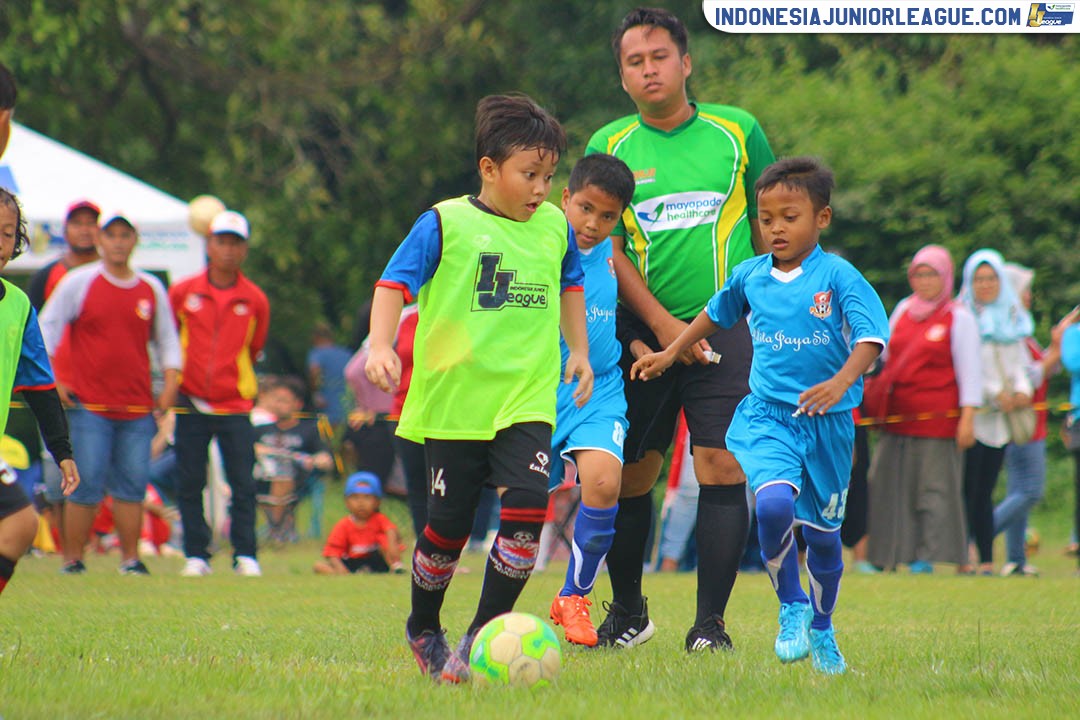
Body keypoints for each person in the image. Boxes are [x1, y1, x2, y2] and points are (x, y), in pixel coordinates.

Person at [365, 93, 592, 683]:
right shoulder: (445, 222)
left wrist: (581, 354)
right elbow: (392, 284)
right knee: (447, 531)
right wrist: (381, 344)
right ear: (489, 169)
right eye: (529, 174)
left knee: (525, 514)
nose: (542, 188)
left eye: (548, 175)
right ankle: (423, 626)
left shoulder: (553, 228)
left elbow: (570, 286)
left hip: (526, 398)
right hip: (455, 402)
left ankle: (478, 639)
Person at [632, 157, 889, 674]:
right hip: (769, 416)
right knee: (771, 507)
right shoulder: (750, 276)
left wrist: (842, 381)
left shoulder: (838, 275)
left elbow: (871, 337)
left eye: (789, 216)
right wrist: (670, 350)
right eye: (766, 217)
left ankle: (822, 625)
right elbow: (714, 313)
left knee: (822, 539)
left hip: (830, 424)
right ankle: (791, 605)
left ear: (822, 218)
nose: (775, 227)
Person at [585, 6, 775, 652]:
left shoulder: (737, 132)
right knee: (630, 475)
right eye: (634, 63)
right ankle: (630, 612)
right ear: (622, 77)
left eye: (659, 57)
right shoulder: (608, 146)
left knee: (720, 464)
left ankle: (710, 626)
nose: (648, 70)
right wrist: (667, 328)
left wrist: (767, 302)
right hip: (641, 332)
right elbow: (602, 245)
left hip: (726, 325)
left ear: (685, 62)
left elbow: (772, 217)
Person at [39, 211, 181, 575]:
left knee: (132, 486)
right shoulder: (79, 282)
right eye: (111, 235)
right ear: (101, 241)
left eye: (125, 235)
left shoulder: (149, 287)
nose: (118, 242)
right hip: (90, 406)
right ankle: (73, 560)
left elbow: (167, 339)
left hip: (137, 407)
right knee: (85, 484)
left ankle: (131, 560)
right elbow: (46, 329)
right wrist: (54, 379)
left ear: (135, 241)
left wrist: (170, 384)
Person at [545, 154, 635, 646]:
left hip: (598, 389)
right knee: (513, 503)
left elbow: (614, 311)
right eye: (584, 208)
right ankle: (487, 614)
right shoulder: (539, 240)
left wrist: (638, 343)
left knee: (603, 482)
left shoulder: (610, 253)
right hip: (535, 389)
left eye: (607, 216)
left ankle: (574, 595)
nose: (592, 224)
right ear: (565, 198)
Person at [865, 245, 981, 574]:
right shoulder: (903, 309)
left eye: (932, 274)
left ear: (946, 277)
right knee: (888, 487)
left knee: (934, 491)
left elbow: (971, 371)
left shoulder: (959, 317)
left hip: (937, 423)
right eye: (919, 274)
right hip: (896, 418)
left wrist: (968, 419)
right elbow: (884, 354)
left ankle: (931, 557)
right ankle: (888, 556)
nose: (924, 281)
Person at [169, 210, 270, 577]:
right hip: (190, 400)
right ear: (209, 244)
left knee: (243, 481)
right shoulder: (183, 291)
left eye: (235, 243)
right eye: (221, 241)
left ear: (244, 249)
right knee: (190, 479)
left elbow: (254, 348)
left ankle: (246, 554)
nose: (228, 250)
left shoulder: (255, 298)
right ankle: (196, 554)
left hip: (235, 403)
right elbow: (168, 342)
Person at [0, 187, 80, 598]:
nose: (1, 243)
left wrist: (62, 451)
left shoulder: (18, 304)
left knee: (21, 525)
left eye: (8, 233)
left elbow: (41, 386)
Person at [992, 265, 1076, 576]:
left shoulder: (1020, 331)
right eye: (1025, 291)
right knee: (1029, 491)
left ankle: (1016, 559)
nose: (1029, 296)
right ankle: (981, 535)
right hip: (1024, 425)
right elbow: (1034, 375)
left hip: (1028, 423)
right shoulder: (1012, 333)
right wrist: (1057, 345)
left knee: (1018, 489)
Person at [957, 249, 1033, 575]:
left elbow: (1019, 363)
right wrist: (991, 393)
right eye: (979, 279)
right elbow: (967, 365)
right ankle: (964, 555)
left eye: (991, 279)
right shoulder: (963, 316)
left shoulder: (1011, 315)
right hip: (973, 416)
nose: (985, 285)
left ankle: (986, 557)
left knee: (986, 490)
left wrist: (1021, 392)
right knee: (967, 489)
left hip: (1000, 421)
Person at [253, 375, 334, 543]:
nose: (280, 405)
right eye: (277, 400)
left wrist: (317, 459)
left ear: (297, 404)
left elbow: (325, 457)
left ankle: (275, 529)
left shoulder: (309, 430)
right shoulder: (261, 429)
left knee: (282, 473)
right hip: (261, 477)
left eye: (285, 401)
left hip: (298, 480)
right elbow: (246, 448)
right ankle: (279, 529)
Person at [313, 472, 403, 574]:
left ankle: (395, 567)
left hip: (375, 560)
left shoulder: (380, 520)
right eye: (355, 497)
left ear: (377, 502)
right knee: (318, 566)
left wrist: (391, 545)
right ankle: (345, 574)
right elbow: (332, 551)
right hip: (353, 562)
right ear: (346, 502)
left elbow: (391, 531)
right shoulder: (344, 525)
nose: (361, 503)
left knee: (386, 539)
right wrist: (340, 568)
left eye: (367, 497)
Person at [307, 322, 353, 429]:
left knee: (327, 433)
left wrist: (315, 392)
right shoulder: (346, 353)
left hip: (327, 398)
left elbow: (314, 370)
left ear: (316, 337)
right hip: (346, 399)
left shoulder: (317, 353)